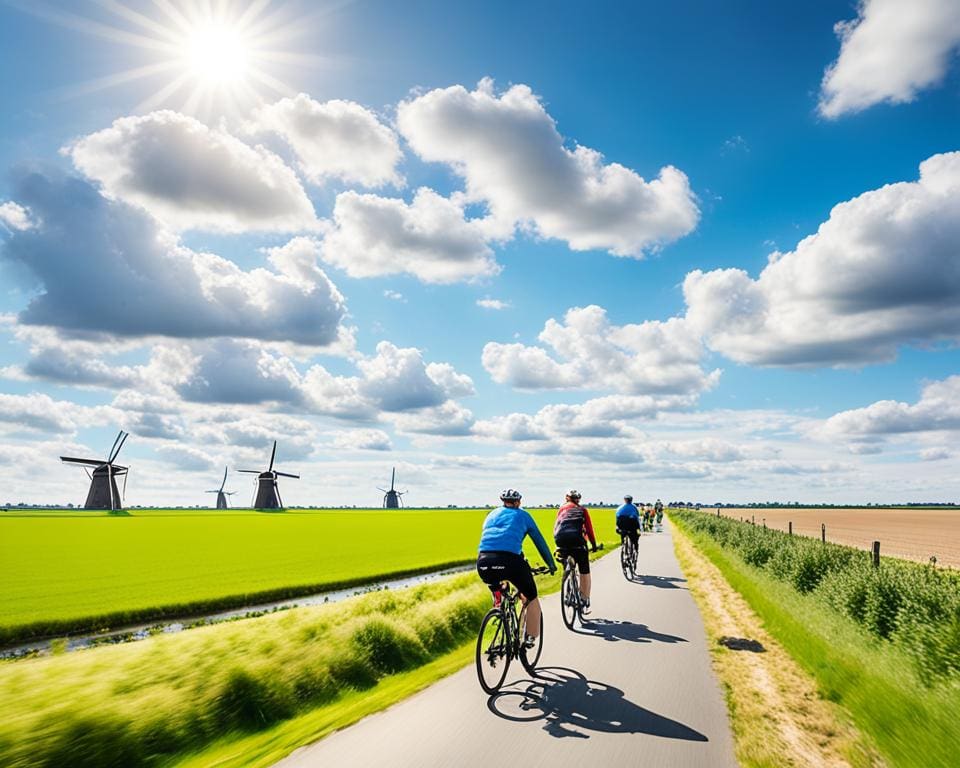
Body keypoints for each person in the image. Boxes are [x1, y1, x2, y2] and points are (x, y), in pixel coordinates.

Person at [477, 489, 556, 647]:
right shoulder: (523, 515)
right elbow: (539, 542)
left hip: (483, 562)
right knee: (531, 596)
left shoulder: (490, 515)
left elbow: (496, 541)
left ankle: (498, 599)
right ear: (518, 502)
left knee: (497, 580)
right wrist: (551, 564)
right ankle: (530, 638)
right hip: (510, 562)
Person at [553, 490, 598, 613]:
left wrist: (558, 545)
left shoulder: (561, 509)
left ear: (567, 498)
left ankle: (567, 585)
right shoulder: (582, 510)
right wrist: (593, 545)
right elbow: (589, 529)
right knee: (584, 571)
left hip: (561, 542)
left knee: (567, 564)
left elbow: (557, 527)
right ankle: (585, 599)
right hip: (578, 543)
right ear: (578, 499)